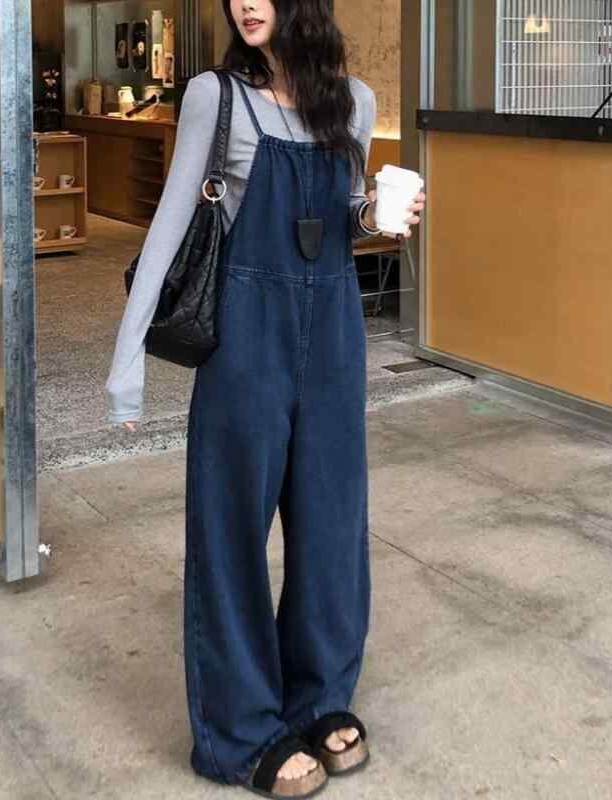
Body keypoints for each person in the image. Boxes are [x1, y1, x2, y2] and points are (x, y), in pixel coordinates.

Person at [105, 1, 425, 797]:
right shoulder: (216, 97)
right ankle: (240, 731)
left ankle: (318, 696)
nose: (246, 2)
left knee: (332, 521)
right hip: (246, 338)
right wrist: (125, 365)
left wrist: (380, 214)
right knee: (231, 530)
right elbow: (170, 225)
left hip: (335, 334)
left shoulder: (354, 103)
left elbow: (343, 215)